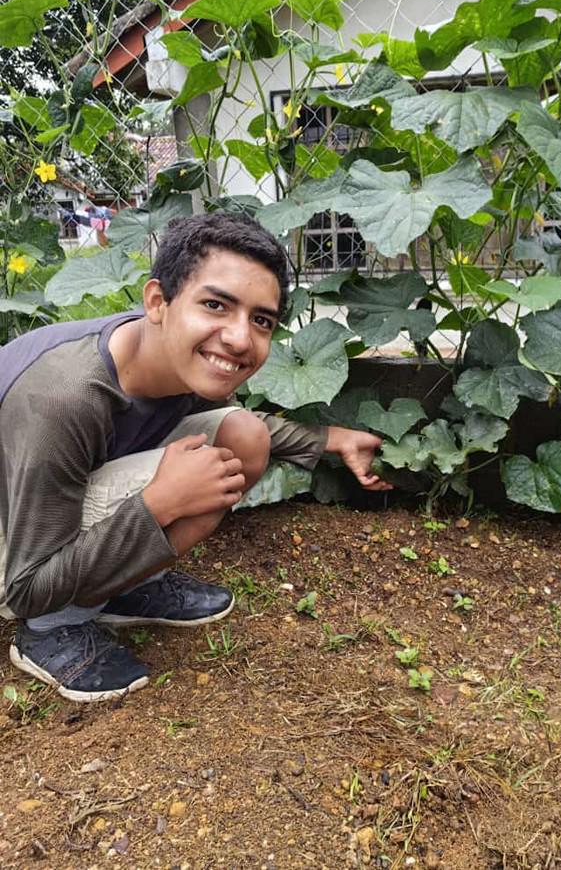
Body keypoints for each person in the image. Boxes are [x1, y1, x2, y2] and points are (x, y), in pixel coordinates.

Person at [0, 212, 390, 703]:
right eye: (215, 305)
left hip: (58, 502)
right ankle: (52, 629)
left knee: (243, 437)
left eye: (261, 320)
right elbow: (26, 586)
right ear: (158, 301)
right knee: (195, 474)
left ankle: (120, 590)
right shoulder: (68, 396)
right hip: (16, 544)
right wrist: (159, 502)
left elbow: (253, 430)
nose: (240, 337)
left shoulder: (174, 358)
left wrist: (329, 438)